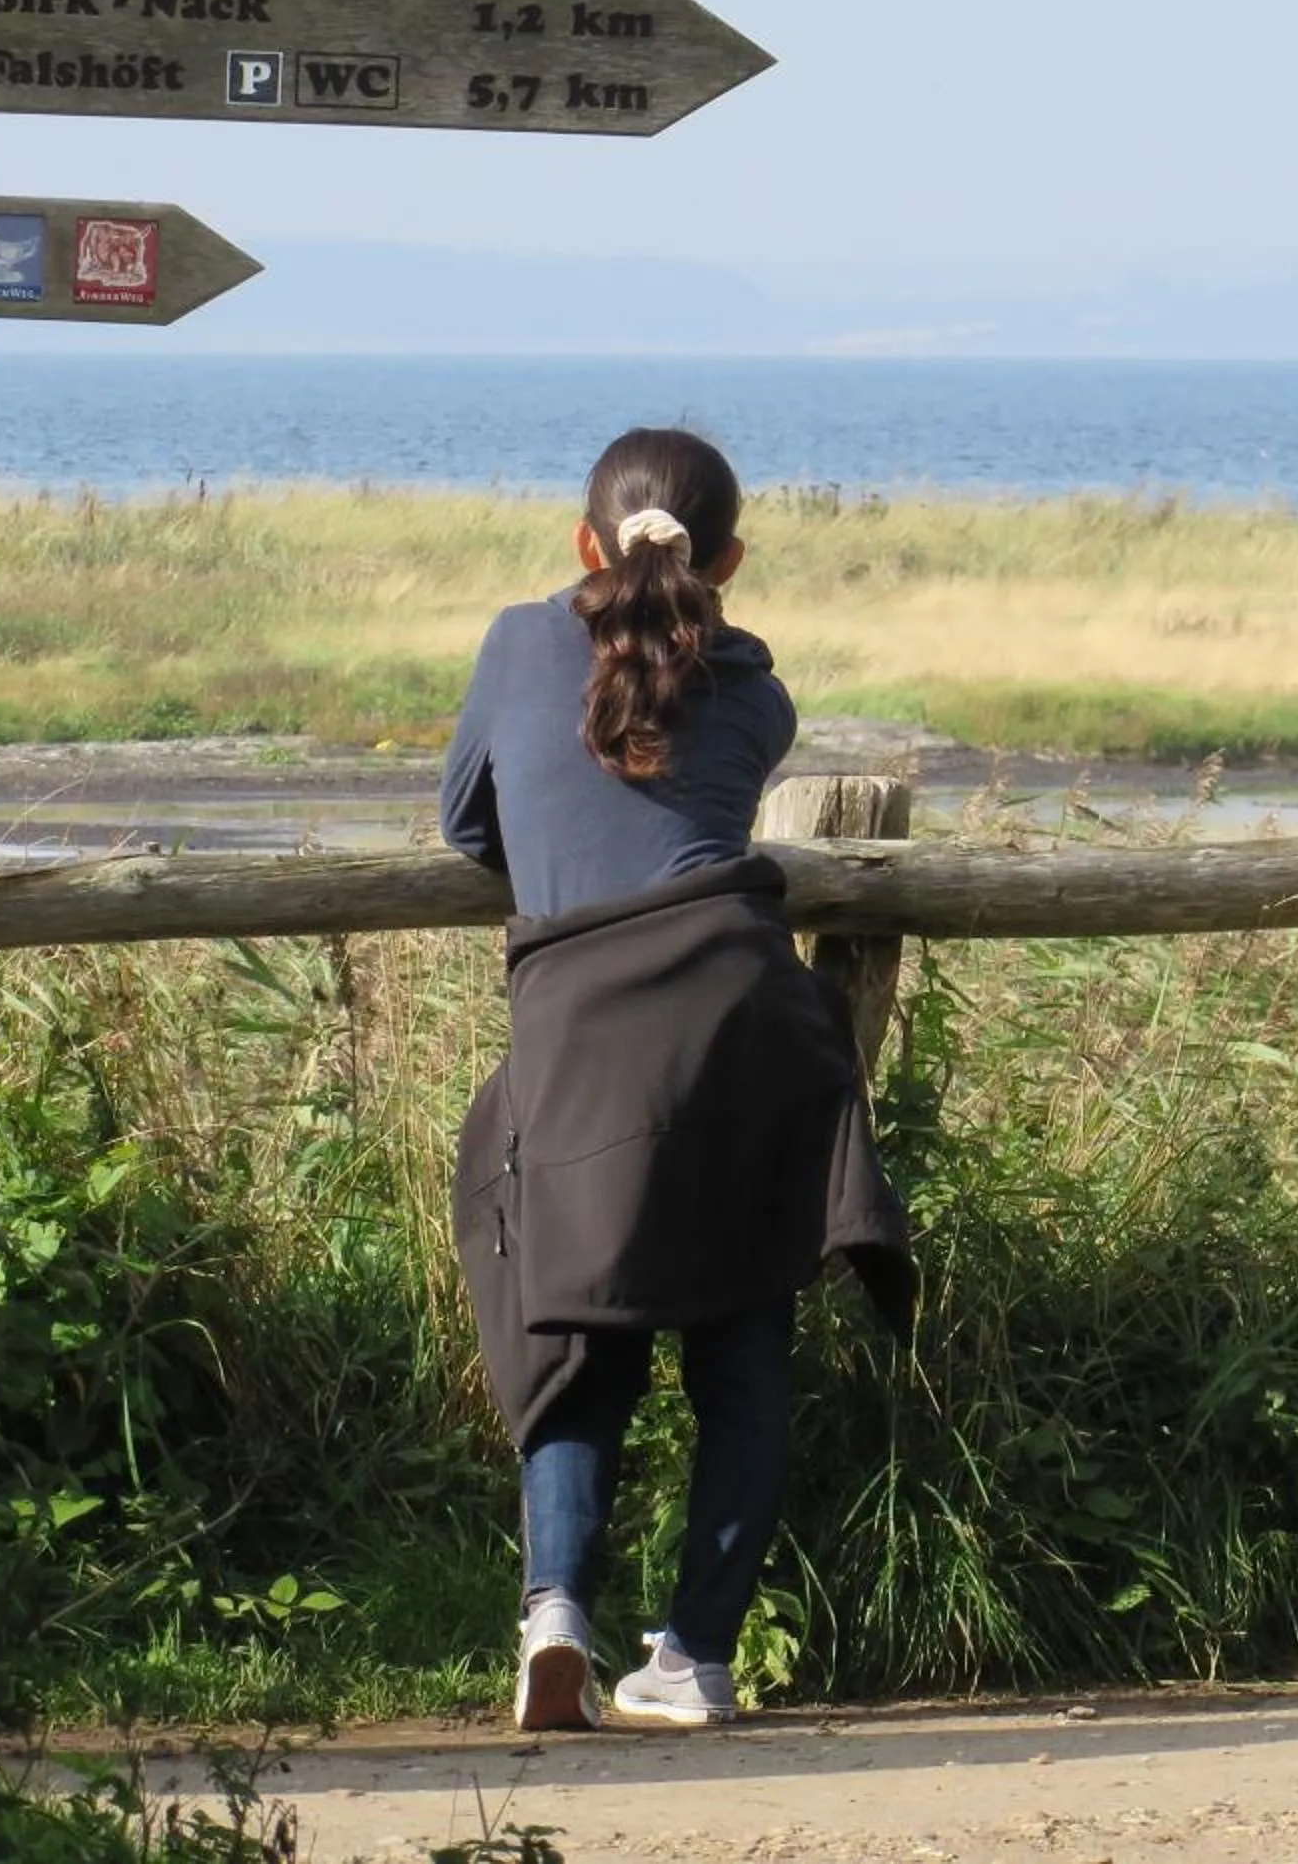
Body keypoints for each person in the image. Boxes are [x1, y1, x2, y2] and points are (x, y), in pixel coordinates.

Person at [440, 425, 912, 1734]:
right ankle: (697, 1654)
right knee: (743, 1334)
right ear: (733, 559)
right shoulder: (757, 691)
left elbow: (464, 825)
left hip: (586, 1023)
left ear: (584, 544)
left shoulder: (516, 644)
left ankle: (556, 1614)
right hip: (747, 1016)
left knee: (573, 1318)